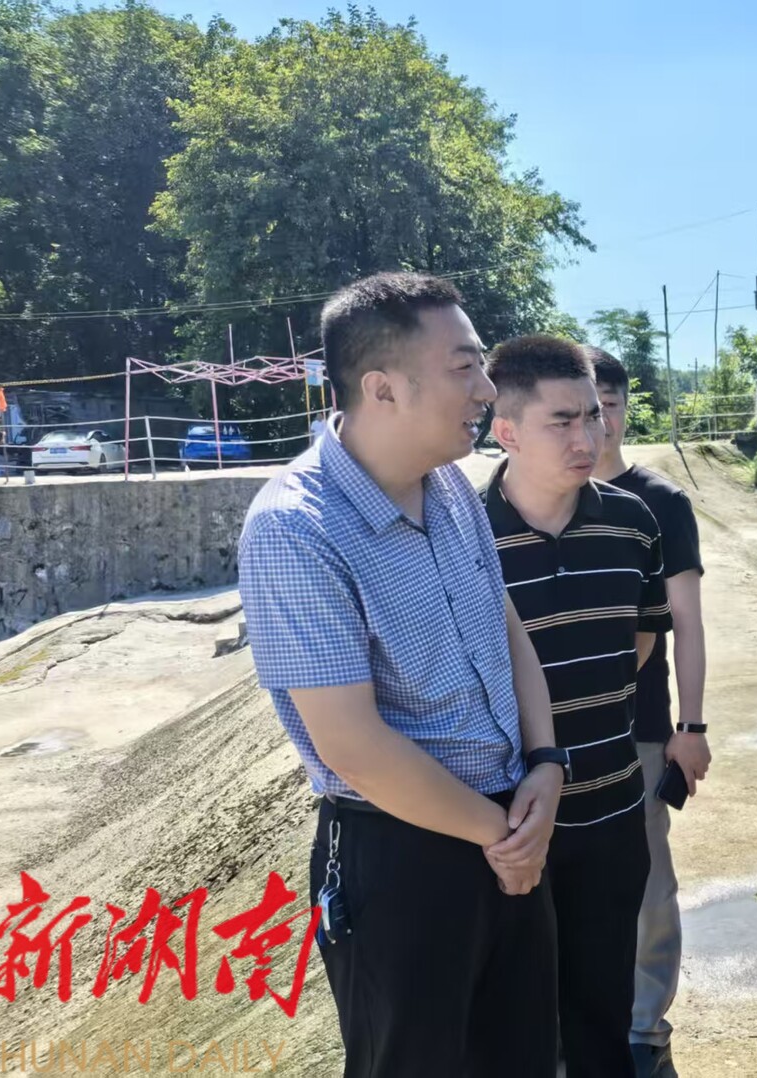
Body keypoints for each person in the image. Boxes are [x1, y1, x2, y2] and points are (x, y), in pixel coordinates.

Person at [238, 272, 564, 1077]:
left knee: (522, 1057)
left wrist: (547, 763)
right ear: (381, 387)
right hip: (403, 854)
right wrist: (504, 836)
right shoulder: (296, 528)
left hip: (511, 825)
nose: (487, 390)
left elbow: (505, 625)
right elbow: (353, 746)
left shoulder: (449, 487)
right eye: (464, 367)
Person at [481, 336, 673, 1077]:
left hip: (615, 814)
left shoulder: (633, 522)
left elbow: (640, 644)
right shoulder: (465, 536)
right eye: (561, 421)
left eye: (592, 415)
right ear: (506, 430)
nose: (587, 438)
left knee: (603, 1019)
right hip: (508, 827)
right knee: (515, 1028)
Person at [584, 346, 709, 1078]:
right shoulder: (519, 498)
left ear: (626, 410)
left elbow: (685, 623)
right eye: (580, 407)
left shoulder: (659, 502)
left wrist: (691, 728)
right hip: (541, 732)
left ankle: (643, 1026)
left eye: (608, 405)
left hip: (638, 726)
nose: (596, 422)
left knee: (645, 881)